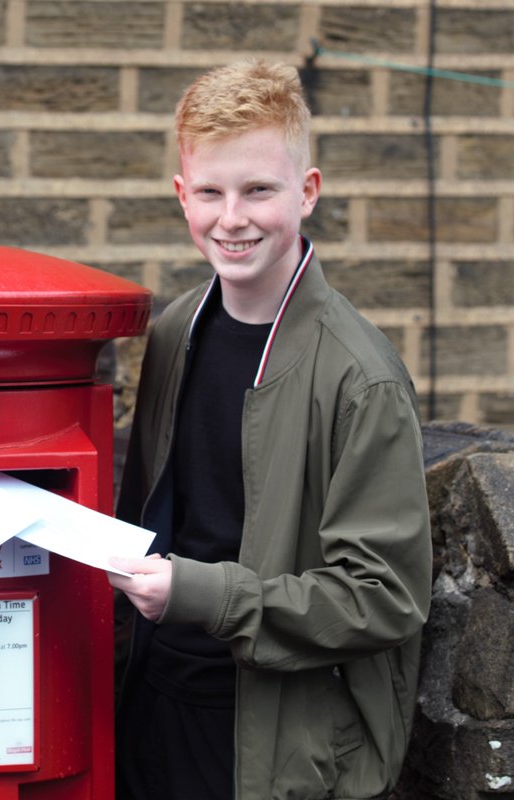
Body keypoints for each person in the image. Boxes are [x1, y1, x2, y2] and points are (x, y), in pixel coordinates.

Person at [107, 60, 431, 799]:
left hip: (277, 745)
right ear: (182, 196)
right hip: (152, 706)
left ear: (307, 191)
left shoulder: (362, 377)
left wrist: (203, 594)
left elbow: (384, 597)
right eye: (211, 193)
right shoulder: (173, 332)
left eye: (259, 190)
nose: (232, 218)